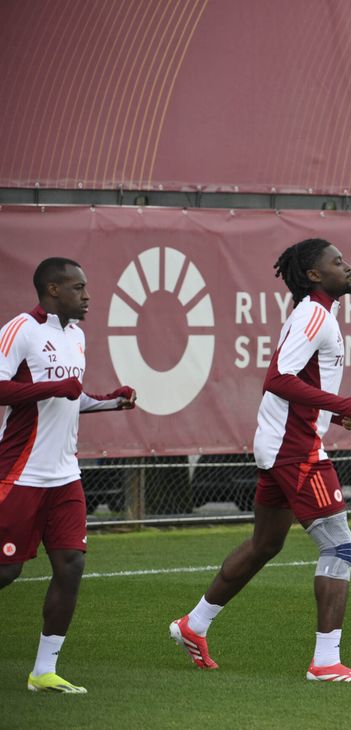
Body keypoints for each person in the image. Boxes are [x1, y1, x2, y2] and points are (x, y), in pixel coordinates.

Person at [170, 239, 351, 682]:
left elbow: (295, 381)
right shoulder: (314, 314)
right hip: (293, 448)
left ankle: (194, 624)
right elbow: (277, 378)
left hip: (281, 443)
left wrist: (332, 411)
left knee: (266, 544)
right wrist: (339, 402)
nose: (348, 266)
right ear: (315, 275)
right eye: (337, 261)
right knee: (340, 546)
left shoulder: (319, 314)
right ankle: (325, 662)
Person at [0, 258, 136, 694]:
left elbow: (71, 398)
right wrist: (54, 388)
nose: (88, 295)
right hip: (19, 473)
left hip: (64, 476)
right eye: (79, 287)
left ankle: (43, 671)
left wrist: (110, 402)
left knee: (71, 565)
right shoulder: (20, 329)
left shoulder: (75, 335)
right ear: (53, 290)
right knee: (6, 572)